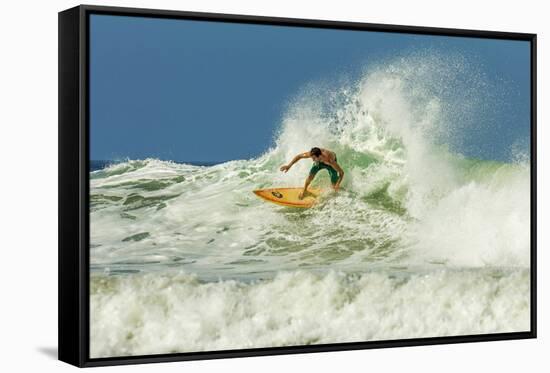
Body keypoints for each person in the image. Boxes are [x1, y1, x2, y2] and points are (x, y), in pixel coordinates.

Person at [280, 147, 344, 199]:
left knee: (334, 186)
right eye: (312, 158)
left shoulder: (330, 161)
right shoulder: (313, 154)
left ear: (319, 156)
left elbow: (341, 173)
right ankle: (305, 191)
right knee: (310, 175)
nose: (312, 160)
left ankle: (340, 191)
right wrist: (289, 166)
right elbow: (299, 156)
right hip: (319, 161)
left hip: (329, 165)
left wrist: (338, 183)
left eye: (314, 158)